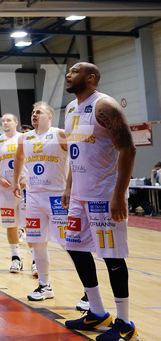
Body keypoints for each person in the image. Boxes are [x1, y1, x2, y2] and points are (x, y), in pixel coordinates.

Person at [62, 62, 139, 341]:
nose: (68, 74)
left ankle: (125, 323)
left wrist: (119, 194)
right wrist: (69, 186)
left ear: (91, 78)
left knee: (112, 257)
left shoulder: (104, 105)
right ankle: (96, 312)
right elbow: (75, 151)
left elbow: (128, 148)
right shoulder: (70, 109)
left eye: (75, 71)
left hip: (104, 197)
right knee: (75, 248)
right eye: (68, 71)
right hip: (79, 197)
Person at [13, 102, 72, 303]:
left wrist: (70, 187)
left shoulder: (60, 134)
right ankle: (44, 286)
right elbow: (19, 157)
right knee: (37, 242)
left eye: (39, 111)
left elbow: (77, 158)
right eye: (32, 111)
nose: (34, 114)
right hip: (34, 197)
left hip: (58, 197)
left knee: (69, 243)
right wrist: (15, 181)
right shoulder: (25, 137)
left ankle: (88, 292)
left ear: (50, 117)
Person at [0, 113, 32, 274]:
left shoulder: (25, 138)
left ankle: (35, 260)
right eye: (3, 120)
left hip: (25, 189)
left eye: (8, 120)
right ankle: (16, 258)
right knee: (11, 225)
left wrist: (27, 178)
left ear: (16, 122)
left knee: (29, 226)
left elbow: (35, 160)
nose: (5, 122)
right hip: (6, 190)